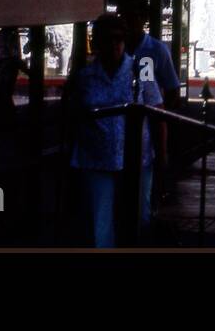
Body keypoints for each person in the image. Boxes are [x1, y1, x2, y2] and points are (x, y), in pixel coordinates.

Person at [65, 14, 163, 247]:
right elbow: (72, 117)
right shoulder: (85, 78)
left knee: (141, 217)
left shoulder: (140, 71)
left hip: (137, 159)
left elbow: (158, 111)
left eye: (118, 39)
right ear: (96, 43)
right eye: (107, 40)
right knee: (102, 222)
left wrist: (163, 155)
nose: (113, 45)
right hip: (97, 159)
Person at [119, 0, 180, 207]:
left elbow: (171, 90)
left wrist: (158, 120)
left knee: (142, 200)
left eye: (133, 17)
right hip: (116, 139)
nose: (127, 23)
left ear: (143, 19)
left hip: (146, 134)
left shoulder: (155, 51)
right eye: (124, 17)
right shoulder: (116, 52)